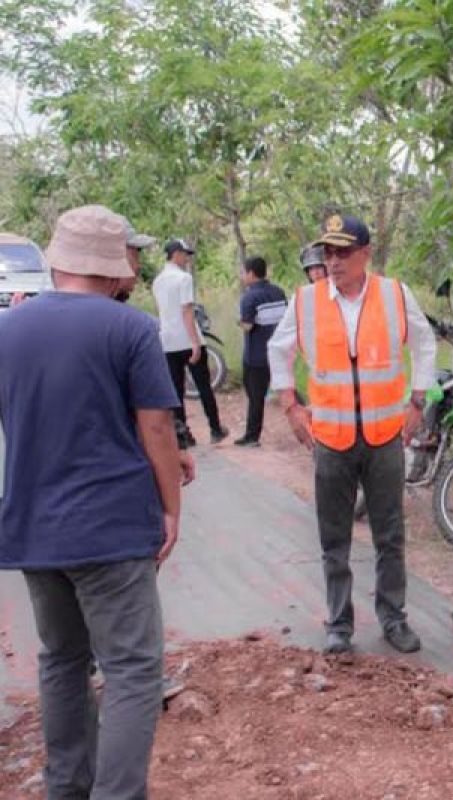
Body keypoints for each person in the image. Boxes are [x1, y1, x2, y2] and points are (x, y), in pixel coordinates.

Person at [0, 205, 184, 798]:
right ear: (110, 267)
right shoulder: (130, 329)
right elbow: (155, 428)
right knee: (132, 669)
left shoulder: (9, 330)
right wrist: (171, 506)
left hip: (34, 530)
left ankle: (67, 788)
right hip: (110, 532)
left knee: (61, 660)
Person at [267, 213, 436, 655]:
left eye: (343, 252)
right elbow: (277, 350)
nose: (334, 261)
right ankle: (339, 624)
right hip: (331, 440)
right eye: (328, 252)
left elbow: (424, 343)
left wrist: (417, 400)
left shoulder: (395, 295)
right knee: (333, 538)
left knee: (389, 535)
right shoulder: (305, 301)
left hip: (384, 438)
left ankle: (393, 618)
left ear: (366, 254)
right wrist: (290, 406)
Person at [152, 237, 228, 445]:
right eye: (185, 254)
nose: (187, 258)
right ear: (175, 254)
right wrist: (194, 342)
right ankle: (215, 428)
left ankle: (183, 434)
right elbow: (186, 310)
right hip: (187, 339)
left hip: (167, 341)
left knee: (176, 389)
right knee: (204, 386)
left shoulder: (157, 281)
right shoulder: (184, 278)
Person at [236, 255, 287, 447]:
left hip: (256, 355)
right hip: (278, 352)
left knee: (255, 396)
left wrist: (239, 322)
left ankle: (252, 436)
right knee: (286, 390)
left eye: (243, 272)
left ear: (251, 273)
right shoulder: (279, 292)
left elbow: (248, 326)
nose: (242, 276)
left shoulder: (249, 297)